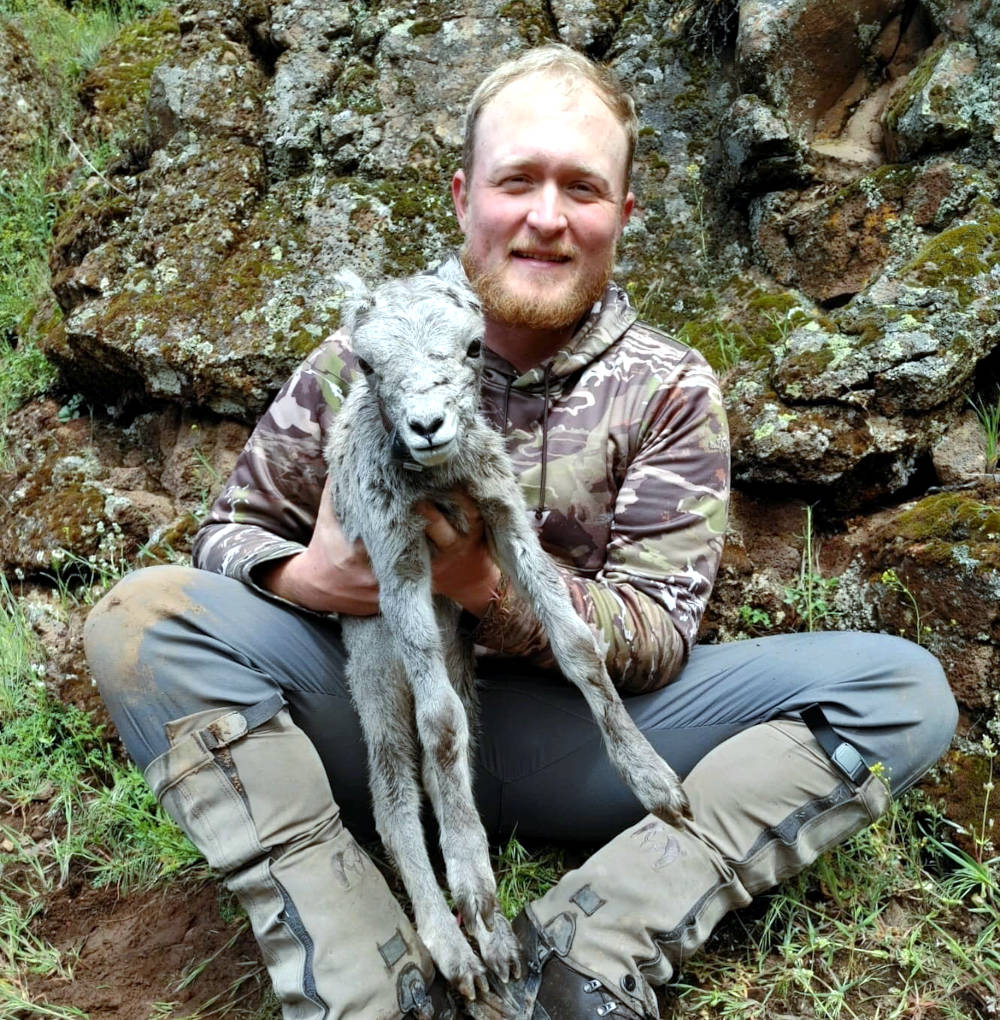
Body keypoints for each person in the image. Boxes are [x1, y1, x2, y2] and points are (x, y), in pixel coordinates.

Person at [84, 44, 957, 1020]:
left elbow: (660, 631)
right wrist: (311, 580)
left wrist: (482, 587)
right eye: (517, 181)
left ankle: (584, 952)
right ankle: (364, 973)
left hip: (573, 747)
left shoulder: (668, 389)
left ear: (622, 216)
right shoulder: (356, 362)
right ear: (464, 199)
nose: (546, 216)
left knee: (899, 694)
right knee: (144, 618)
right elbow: (231, 533)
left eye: (581, 187)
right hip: (374, 722)